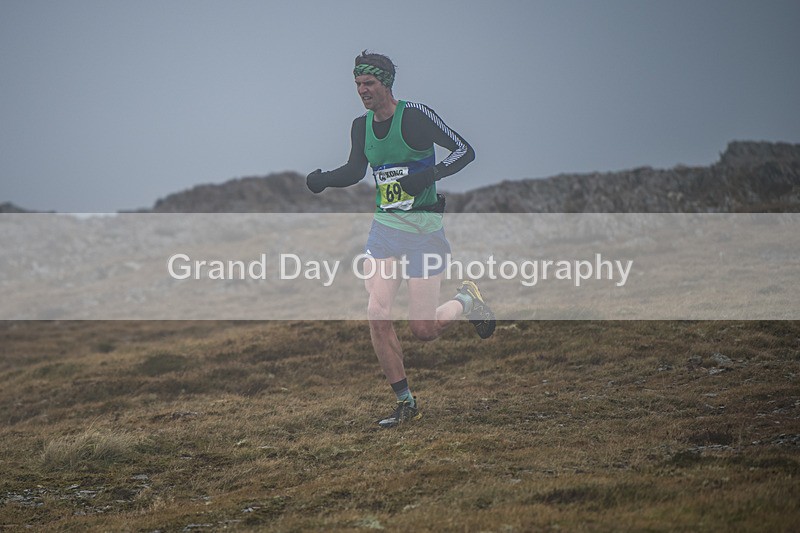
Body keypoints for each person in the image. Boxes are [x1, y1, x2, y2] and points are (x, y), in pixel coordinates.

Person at [306, 51, 495, 428]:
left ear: (386, 84)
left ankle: (466, 300)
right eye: (358, 85)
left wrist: (428, 176)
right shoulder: (361, 127)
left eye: (369, 84)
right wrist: (326, 178)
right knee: (377, 313)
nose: (362, 91)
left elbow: (465, 151)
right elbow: (356, 170)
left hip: (424, 232)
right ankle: (405, 402)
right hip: (385, 231)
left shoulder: (416, 116)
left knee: (423, 330)